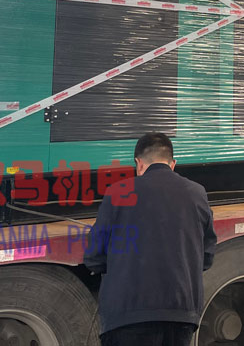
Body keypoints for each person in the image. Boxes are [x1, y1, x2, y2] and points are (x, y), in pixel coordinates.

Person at [85, 132, 216, 346]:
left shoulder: (118, 193)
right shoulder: (197, 193)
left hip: (128, 317)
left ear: (138, 164)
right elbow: (207, 255)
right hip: (181, 316)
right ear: (173, 164)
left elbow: (94, 256)